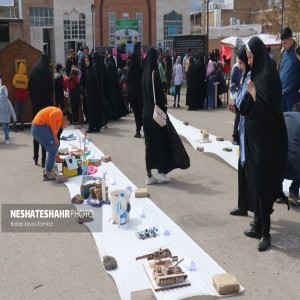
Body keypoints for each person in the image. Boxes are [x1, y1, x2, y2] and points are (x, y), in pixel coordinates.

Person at [241, 36, 288, 252]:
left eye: (250, 56)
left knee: (263, 186)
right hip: (253, 141)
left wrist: (252, 95)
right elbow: (244, 108)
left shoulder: (268, 78)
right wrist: (250, 95)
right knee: (255, 183)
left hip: (266, 142)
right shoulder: (256, 77)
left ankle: (266, 234)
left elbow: (268, 115)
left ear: (258, 55)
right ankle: (258, 225)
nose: (249, 61)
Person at [142, 48, 190, 185]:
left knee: (149, 145)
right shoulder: (154, 73)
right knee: (161, 142)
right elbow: (158, 96)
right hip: (155, 115)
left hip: (146, 114)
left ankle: (149, 175)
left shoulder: (144, 74)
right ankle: (161, 172)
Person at [227, 45, 251, 217]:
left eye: (243, 62)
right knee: (242, 169)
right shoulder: (245, 75)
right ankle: (242, 205)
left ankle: (257, 213)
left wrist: (240, 108)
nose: (241, 65)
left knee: (251, 172)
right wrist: (237, 108)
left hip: (251, 132)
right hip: (244, 129)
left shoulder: (254, 77)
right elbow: (243, 103)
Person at [31, 107, 72, 181]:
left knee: (53, 145)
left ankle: (47, 170)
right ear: (65, 118)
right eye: (67, 124)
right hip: (39, 126)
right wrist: (55, 135)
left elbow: (54, 146)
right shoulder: (59, 112)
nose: (66, 126)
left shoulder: (58, 121)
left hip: (37, 127)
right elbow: (52, 116)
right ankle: (47, 173)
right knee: (53, 146)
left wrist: (59, 159)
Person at [28, 54, 54, 168]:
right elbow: (52, 88)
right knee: (44, 132)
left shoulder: (33, 70)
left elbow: (29, 87)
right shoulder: (47, 71)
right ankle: (44, 160)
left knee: (36, 131)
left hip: (35, 106)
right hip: (45, 106)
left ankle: (35, 156)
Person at [277, 27, 300, 112]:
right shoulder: (282, 52)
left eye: (285, 43)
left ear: (290, 39)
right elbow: (279, 69)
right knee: (283, 121)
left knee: (293, 121)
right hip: (282, 93)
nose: (283, 45)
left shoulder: (298, 51)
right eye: (282, 43)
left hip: (293, 94)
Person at [282, 102, 300, 205]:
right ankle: (293, 193)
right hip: (296, 169)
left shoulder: (284, 115)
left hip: (277, 166)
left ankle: (277, 192)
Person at [127, 52, 143, 138]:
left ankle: (138, 131)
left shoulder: (131, 68)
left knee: (136, 113)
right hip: (141, 95)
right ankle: (142, 127)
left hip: (134, 95)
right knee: (141, 112)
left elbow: (128, 80)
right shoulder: (140, 68)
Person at [12, 62, 28, 132]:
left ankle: (14, 125)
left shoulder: (16, 76)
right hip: (23, 95)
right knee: (22, 111)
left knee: (17, 110)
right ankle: (22, 125)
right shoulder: (25, 77)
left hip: (17, 94)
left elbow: (13, 83)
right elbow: (26, 86)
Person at [230, 60, 243, 145]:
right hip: (237, 95)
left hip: (243, 94)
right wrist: (235, 89)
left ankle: (241, 137)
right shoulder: (236, 67)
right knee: (238, 116)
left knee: (243, 117)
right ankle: (235, 136)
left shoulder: (244, 66)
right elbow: (232, 82)